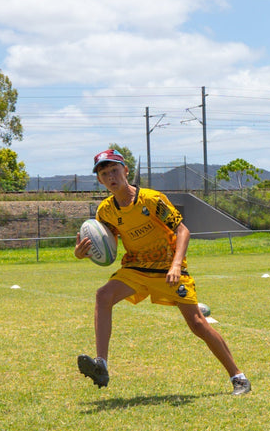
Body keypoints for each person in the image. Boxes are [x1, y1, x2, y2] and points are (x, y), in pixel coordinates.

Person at [73, 149, 251, 395]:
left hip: (168, 267)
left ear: (125, 171)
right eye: (104, 174)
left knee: (197, 323)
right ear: (100, 181)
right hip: (136, 268)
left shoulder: (152, 200)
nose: (111, 176)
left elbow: (183, 231)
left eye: (114, 170)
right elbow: (107, 245)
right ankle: (101, 364)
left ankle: (239, 377)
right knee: (103, 295)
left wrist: (177, 264)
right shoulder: (105, 212)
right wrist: (83, 253)